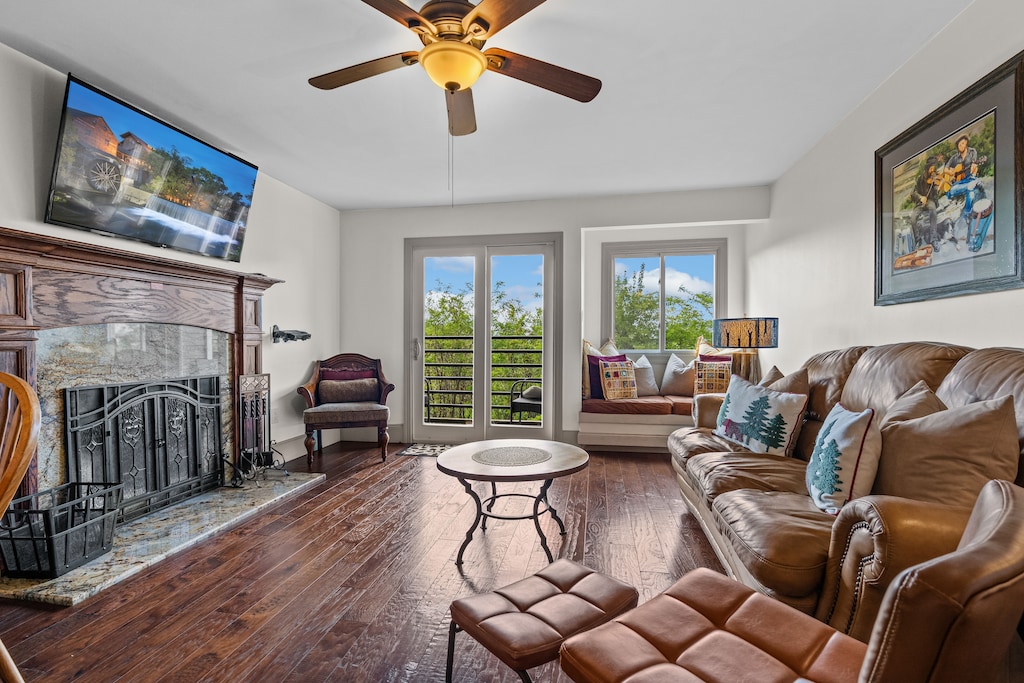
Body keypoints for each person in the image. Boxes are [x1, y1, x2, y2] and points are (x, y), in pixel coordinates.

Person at [944, 134, 984, 219]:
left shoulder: (972, 152)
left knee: (971, 188)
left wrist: (974, 167)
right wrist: (951, 173)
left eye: (962, 143)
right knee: (953, 190)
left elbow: (973, 165)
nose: (961, 146)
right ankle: (974, 184)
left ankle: (967, 213)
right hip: (958, 184)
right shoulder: (955, 157)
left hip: (969, 178)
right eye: (959, 145)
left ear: (966, 142)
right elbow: (945, 169)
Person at [909, 156, 941, 250]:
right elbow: (913, 192)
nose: (932, 170)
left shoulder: (933, 178)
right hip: (920, 203)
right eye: (931, 168)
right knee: (913, 218)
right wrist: (920, 197)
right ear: (927, 169)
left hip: (930, 201)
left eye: (933, 168)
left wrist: (936, 187)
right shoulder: (920, 179)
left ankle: (933, 239)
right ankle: (918, 240)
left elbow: (935, 193)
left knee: (933, 211)